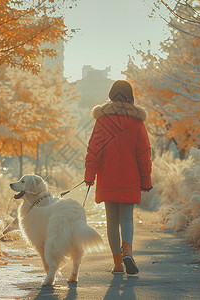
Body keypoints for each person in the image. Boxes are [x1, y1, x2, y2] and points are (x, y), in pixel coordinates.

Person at [84, 80, 152, 275]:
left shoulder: (102, 120)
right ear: (131, 97)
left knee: (112, 221)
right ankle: (128, 251)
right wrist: (146, 181)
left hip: (108, 178)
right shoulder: (137, 122)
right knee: (127, 219)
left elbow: (93, 150)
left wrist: (89, 176)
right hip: (130, 179)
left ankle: (117, 264)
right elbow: (144, 154)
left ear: (111, 95)